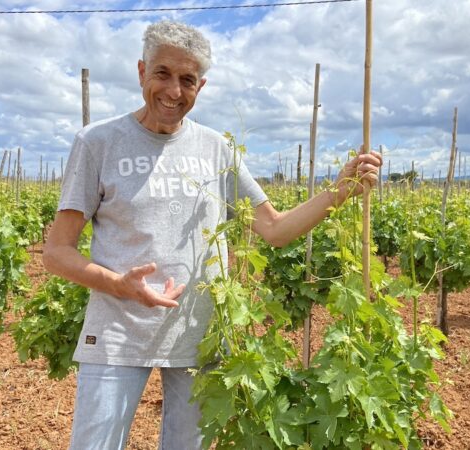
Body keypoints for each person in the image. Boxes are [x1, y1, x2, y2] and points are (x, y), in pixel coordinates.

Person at [43, 20, 382, 450]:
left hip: (198, 338)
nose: (173, 90)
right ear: (141, 71)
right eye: (162, 74)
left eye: (187, 80)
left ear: (200, 86)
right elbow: (56, 252)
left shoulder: (217, 149)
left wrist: (341, 190)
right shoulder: (98, 142)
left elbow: (274, 229)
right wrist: (119, 286)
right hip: (118, 333)